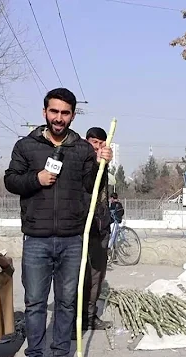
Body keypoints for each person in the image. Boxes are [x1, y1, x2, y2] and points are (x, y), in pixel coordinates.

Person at [4, 88, 112, 357]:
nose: (59, 118)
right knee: (35, 303)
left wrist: (103, 163)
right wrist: (35, 179)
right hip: (36, 239)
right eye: (54, 112)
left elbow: (92, 186)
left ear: (73, 116)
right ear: (45, 113)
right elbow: (11, 180)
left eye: (65, 113)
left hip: (71, 238)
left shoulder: (81, 150)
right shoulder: (26, 146)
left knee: (66, 302)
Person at [79, 127, 113, 333]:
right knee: (80, 275)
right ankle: (75, 319)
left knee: (97, 275)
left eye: (102, 143)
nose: (98, 147)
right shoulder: (81, 162)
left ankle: (90, 317)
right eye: (94, 143)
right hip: (83, 227)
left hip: (101, 226)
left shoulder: (104, 164)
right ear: (86, 142)